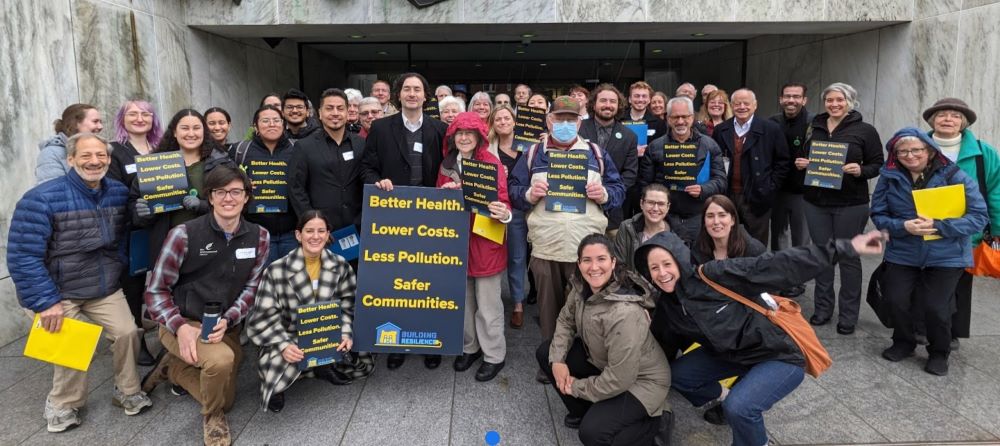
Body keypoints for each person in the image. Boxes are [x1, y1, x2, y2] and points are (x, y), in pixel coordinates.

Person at [635, 228, 885, 446]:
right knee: (676, 376)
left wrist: (846, 247)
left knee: (740, 410)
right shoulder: (668, 307)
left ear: (679, 259)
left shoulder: (713, 275)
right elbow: (660, 349)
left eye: (667, 264)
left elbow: (778, 264)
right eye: (654, 268)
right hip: (731, 355)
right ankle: (728, 395)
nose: (662, 273)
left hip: (778, 354)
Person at [8, 133, 153, 433]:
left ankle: (127, 390)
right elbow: (23, 256)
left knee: (128, 332)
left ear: (109, 160)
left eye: (101, 155)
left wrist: (142, 216)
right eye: (86, 155)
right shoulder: (41, 198)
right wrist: (46, 301)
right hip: (58, 289)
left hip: (103, 283)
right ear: (70, 159)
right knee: (72, 343)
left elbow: (126, 230)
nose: (94, 161)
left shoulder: (115, 191)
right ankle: (63, 404)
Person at [141, 165, 269, 446]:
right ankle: (212, 417)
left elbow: (251, 289)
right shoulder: (183, 234)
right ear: (209, 197)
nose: (228, 198)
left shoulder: (259, 236)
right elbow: (155, 291)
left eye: (236, 192)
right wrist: (180, 327)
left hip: (224, 325)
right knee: (221, 367)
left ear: (246, 197)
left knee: (229, 394)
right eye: (220, 192)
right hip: (182, 323)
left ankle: (172, 369)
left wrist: (230, 319)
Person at [509, 96, 625, 383]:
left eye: (570, 120)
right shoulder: (534, 153)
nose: (564, 125)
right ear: (549, 121)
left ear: (579, 121)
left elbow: (619, 188)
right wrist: (529, 194)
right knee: (549, 310)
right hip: (547, 246)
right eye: (559, 119)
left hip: (586, 251)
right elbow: (512, 189)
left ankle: (585, 360)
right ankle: (551, 360)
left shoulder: (596, 153)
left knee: (587, 308)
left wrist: (605, 195)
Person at [871, 128, 988, 375]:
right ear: (895, 154)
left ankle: (938, 351)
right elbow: (878, 215)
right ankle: (904, 341)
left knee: (936, 307)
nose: (909, 155)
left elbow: (979, 217)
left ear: (930, 150)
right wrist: (902, 226)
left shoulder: (955, 175)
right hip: (903, 251)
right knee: (895, 300)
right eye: (902, 151)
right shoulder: (889, 176)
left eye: (916, 150)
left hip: (947, 254)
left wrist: (939, 225)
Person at [537, 234, 672, 445]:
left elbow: (621, 378)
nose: (594, 267)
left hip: (641, 381)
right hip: (606, 362)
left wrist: (576, 387)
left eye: (601, 259)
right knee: (545, 353)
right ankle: (590, 411)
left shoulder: (624, 312)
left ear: (613, 262)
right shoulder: (581, 287)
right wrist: (557, 361)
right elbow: (565, 320)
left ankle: (655, 424)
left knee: (592, 434)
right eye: (587, 260)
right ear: (579, 263)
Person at [361, 72, 449, 370]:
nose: (412, 94)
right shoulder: (381, 128)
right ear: (398, 95)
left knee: (430, 283)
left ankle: (431, 340)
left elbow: (450, 170)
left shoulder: (440, 129)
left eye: (418, 90)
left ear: (426, 96)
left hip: (432, 219)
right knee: (397, 282)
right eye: (407, 89)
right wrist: (379, 181)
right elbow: (367, 168)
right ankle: (397, 343)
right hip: (394, 217)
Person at [247, 210, 372, 413]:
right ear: (298, 235)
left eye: (321, 231)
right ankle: (278, 387)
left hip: (327, 334)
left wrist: (346, 332)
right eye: (309, 231)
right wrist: (283, 345)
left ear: (328, 234)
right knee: (276, 365)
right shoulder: (276, 270)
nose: (315, 236)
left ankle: (323, 367)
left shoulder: (340, 265)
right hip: (290, 334)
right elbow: (263, 316)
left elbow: (350, 305)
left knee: (359, 350)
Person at [796, 83, 883, 335]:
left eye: (840, 100)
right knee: (822, 256)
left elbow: (878, 163)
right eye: (830, 100)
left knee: (848, 258)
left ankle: (848, 315)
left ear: (850, 102)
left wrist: (861, 170)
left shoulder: (865, 130)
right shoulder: (815, 126)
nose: (834, 104)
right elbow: (804, 155)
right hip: (815, 202)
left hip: (850, 203)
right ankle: (823, 309)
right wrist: (802, 163)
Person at [437, 112, 512, 381]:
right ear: (453, 137)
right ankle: (470, 347)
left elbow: (504, 203)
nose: (465, 137)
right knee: (465, 302)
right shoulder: (445, 165)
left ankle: (494, 355)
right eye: (460, 133)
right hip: (457, 243)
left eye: (470, 133)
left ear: (480, 137)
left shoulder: (490, 163)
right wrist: (443, 198)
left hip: (485, 243)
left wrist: (502, 211)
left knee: (489, 304)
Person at [922, 98, 1000, 349]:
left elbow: (996, 190)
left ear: (963, 122)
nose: (947, 119)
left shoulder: (983, 151)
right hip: (923, 225)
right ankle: (920, 327)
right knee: (922, 279)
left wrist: (996, 229)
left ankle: (952, 332)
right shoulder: (914, 144)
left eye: (955, 116)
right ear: (932, 120)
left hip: (967, 229)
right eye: (942, 115)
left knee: (959, 285)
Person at [130, 109, 235, 268]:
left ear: (204, 132)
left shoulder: (222, 163)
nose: (191, 133)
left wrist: (202, 205)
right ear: (174, 132)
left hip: (213, 245)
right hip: (168, 248)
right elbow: (135, 209)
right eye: (185, 128)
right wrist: (142, 212)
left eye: (196, 128)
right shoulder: (154, 166)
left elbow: (237, 202)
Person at [107, 99, 165, 366]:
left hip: (166, 225)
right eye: (133, 114)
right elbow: (115, 193)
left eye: (146, 114)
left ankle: (169, 338)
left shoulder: (163, 148)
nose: (140, 118)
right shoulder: (116, 152)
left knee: (168, 281)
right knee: (134, 289)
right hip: (135, 232)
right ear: (123, 119)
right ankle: (138, 342)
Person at [290, 88, 367, 270]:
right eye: (329, 108)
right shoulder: (304, 146)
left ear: (348, 112)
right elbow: (296, 189)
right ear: (319, 113)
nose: (335, 113)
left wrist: (363, 220)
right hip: (321, 234)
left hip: (357, 229)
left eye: (340, 108)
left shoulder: (361, 144)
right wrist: (312, 226)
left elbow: (367, 181)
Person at [641, 97, 727, 243]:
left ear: (692, 117)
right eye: (675, 117)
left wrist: (703, 189)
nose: (680, 121)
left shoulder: (709, 145)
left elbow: (721, 180)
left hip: (698, 216)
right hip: (665, 217)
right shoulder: (655, 147)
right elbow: (645, 183)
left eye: (685, 117)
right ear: (668, 119)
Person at [712, 88, 790, 245]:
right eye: (737, 103)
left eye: (746, 103)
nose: (742, 107)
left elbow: (783, 161)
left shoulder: (770, 129)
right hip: (727, 195)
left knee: (756, 244)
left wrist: (770, 187)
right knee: (725, 240)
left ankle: (755, 270)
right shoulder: (721, 130)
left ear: (755, 105)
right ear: (731, 106)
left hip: (757, 195)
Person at [230, 105, 298, 264]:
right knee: (261, 282)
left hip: (291, 233)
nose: (272, 124)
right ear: (256, 126)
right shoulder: (240, 151)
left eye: (276, 120)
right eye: (266, 121)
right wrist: (242, 186)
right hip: (256, 232)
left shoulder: (297, 149)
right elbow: (227, 184)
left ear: (283, 124)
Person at [489, 104, 531, 327]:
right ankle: (491, 302)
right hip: (495, 209)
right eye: (498, 119)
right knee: (493, 257)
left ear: (514, 121)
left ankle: (518, 304)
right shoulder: (487, 149)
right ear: (493, 125)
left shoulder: (528, 147)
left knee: (517, 257)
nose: (503, 122)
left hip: (521, 208)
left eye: (507, 118)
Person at [769, 83, 813, 296]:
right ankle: (780, 279)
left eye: (796, 96)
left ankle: (797, 281)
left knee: (801, 240)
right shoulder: (772, 122)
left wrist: (811, 162)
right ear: (780, 99)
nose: (791, 100)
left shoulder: (815, 124)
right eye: (787, 96)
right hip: (777, 190)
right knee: (778, 238)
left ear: (804, 100)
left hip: (803, 192)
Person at [579, 84, 638, 236]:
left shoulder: (629, 136)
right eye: (603, 100)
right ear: (593, 103)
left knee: (612, 256)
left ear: (619, 106)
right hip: (580, 206)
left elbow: (630, 174)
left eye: (613, 101)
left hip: (612, 212)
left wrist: (607, 194)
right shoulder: (577, 128)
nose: (608, 105)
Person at [36, 103, 104, 184]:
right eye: (95, 121)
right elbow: (53, 192)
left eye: (100, 122)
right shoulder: (51, 154)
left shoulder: (99, 149)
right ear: (75, 124)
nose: (100, 126)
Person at [692, 195, 766, 265]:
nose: (716, 221)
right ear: (704, 222)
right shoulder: (698, 249)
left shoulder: (754, 251)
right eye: (710, 216)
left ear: (732, 220)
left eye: (722, 215)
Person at [613, 184, 672, 270]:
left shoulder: (677, 232)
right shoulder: (627, 227)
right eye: (651, 202)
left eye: (661, 204)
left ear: (668, 207)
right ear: (641, 204)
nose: (655, 208)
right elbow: (619, 265)